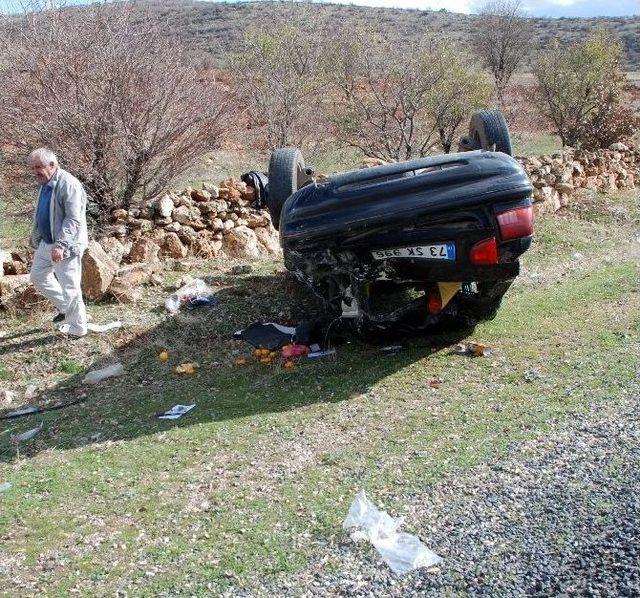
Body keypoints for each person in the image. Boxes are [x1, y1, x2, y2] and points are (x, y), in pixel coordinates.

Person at [28, 148, 88, 337]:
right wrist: (35, 235)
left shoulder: (68, 184)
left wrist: (60, 245)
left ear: (52, 165)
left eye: (39, 167)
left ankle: (78, 328)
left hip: (65, 246)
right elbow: (42, 212)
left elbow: (73, 219)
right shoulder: (45, 183)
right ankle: (65, 308)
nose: (36, 171)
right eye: (33, 167)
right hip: (47, 243)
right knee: (38, 276)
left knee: (70, 287)